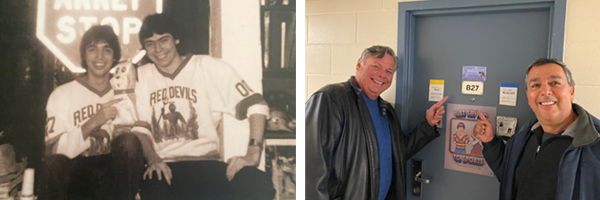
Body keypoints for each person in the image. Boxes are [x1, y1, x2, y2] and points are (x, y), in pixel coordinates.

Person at [133, 13, 275, 199]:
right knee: (153, 187)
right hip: (165, 167)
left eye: (163, 39)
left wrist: (253, 154)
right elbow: (140, 129)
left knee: (256, 181)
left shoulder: (206, 66)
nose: (157, 48)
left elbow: (256, 105)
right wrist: (153, 160)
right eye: (150, 43)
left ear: (176, 39)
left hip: (207, 163)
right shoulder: (141, 77)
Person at [305, 45, 447, 200]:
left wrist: (427, 124)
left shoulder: (386, 110)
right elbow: (311, 165)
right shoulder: (331, 99)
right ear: (359, 65)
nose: (382, 75)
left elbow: (399, 153)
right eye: (376, 66)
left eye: (389, 71)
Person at [42, 25, 159, 200]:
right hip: (77, 175)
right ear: (83, 55)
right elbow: (55, 152)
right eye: (92, 49)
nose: (99, 57)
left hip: (114, 178)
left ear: (114, 57)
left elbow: (143, 139)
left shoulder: (127, 90)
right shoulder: (61, 94)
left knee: (128, 142)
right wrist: (92, 122)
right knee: (54, 164)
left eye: (107, 50)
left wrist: (126, 135)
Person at [473, 58, 600, 200]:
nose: (545, 91)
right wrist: (490, 142)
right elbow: (509, 178)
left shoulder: (594, 144)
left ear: (571, 92)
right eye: (535, 85)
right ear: (528, 96)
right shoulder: (522, 137)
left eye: (555, 83)